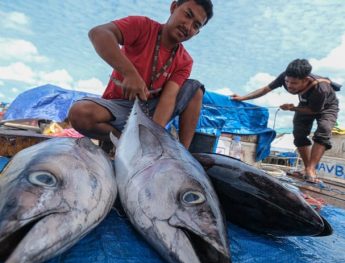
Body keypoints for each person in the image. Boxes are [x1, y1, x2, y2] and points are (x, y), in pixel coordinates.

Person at [68, 0, 213, 151]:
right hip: (119, 108)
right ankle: (121, 141)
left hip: (151, 112)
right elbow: (98, 33)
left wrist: (151, 137)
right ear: (173, 7)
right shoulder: (142, 26)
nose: (188, 26)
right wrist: (129, 73)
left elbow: (168, 98)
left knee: (195, 90)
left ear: (197, 32)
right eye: (188, 15)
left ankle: (181, 154)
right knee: (80, 113)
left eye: (196, 26)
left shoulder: (185, 61)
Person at [232, 59, 340, 183]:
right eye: (287, 81)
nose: (289, 85)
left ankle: (311, 169)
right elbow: (265, 89)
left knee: (324, 129)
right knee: (299, 133)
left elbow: (314, 110)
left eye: (294, 83)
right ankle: (306, 167)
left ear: (306, 80)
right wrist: (242, 97)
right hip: (305, 103)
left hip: (326, 106)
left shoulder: (321, 88)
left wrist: (292, 108)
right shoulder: (284, 77)